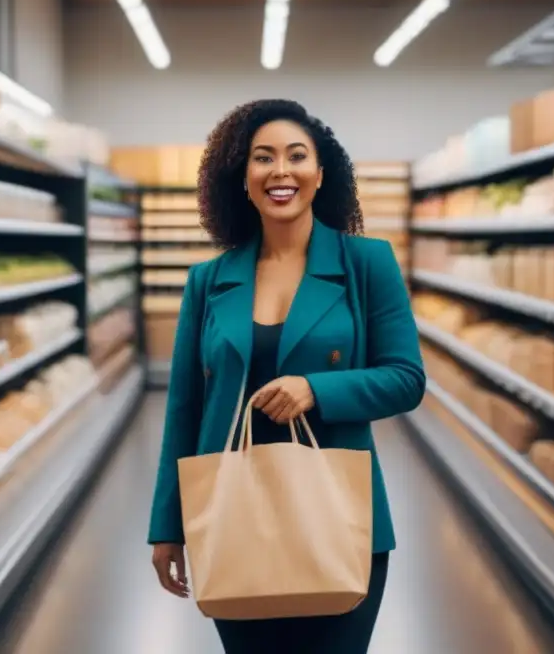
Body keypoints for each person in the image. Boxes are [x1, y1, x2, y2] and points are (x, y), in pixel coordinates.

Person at [147, 98, 426, 653]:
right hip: (234, 516)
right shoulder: (209, 280)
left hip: (339, 518)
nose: (281, 171)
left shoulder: (366, 264)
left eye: (297, 157)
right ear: (242, 179)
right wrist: (167, 525)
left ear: (321, 175)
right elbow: (185, 407)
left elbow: (405, 377)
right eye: (262, 158)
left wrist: (315, 389)